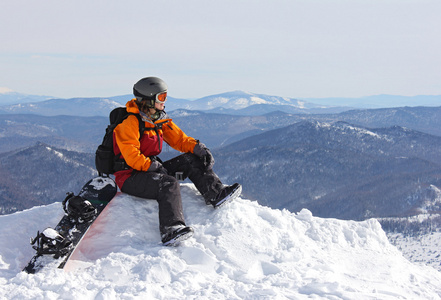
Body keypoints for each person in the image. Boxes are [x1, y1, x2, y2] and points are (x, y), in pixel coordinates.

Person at [113, 76, 242, 246]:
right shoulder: (129, 124)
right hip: (130, 176)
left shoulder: (158, 120)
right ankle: (171, 229)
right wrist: (152, 166)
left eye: (165, 97)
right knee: (167, 183)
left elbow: (180, 140)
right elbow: (131, 156)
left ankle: (216, 193)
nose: (164, 102)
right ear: (148, 100)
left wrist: (199, 148)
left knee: (191, 160)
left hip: (150, 169)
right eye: (161, 98)